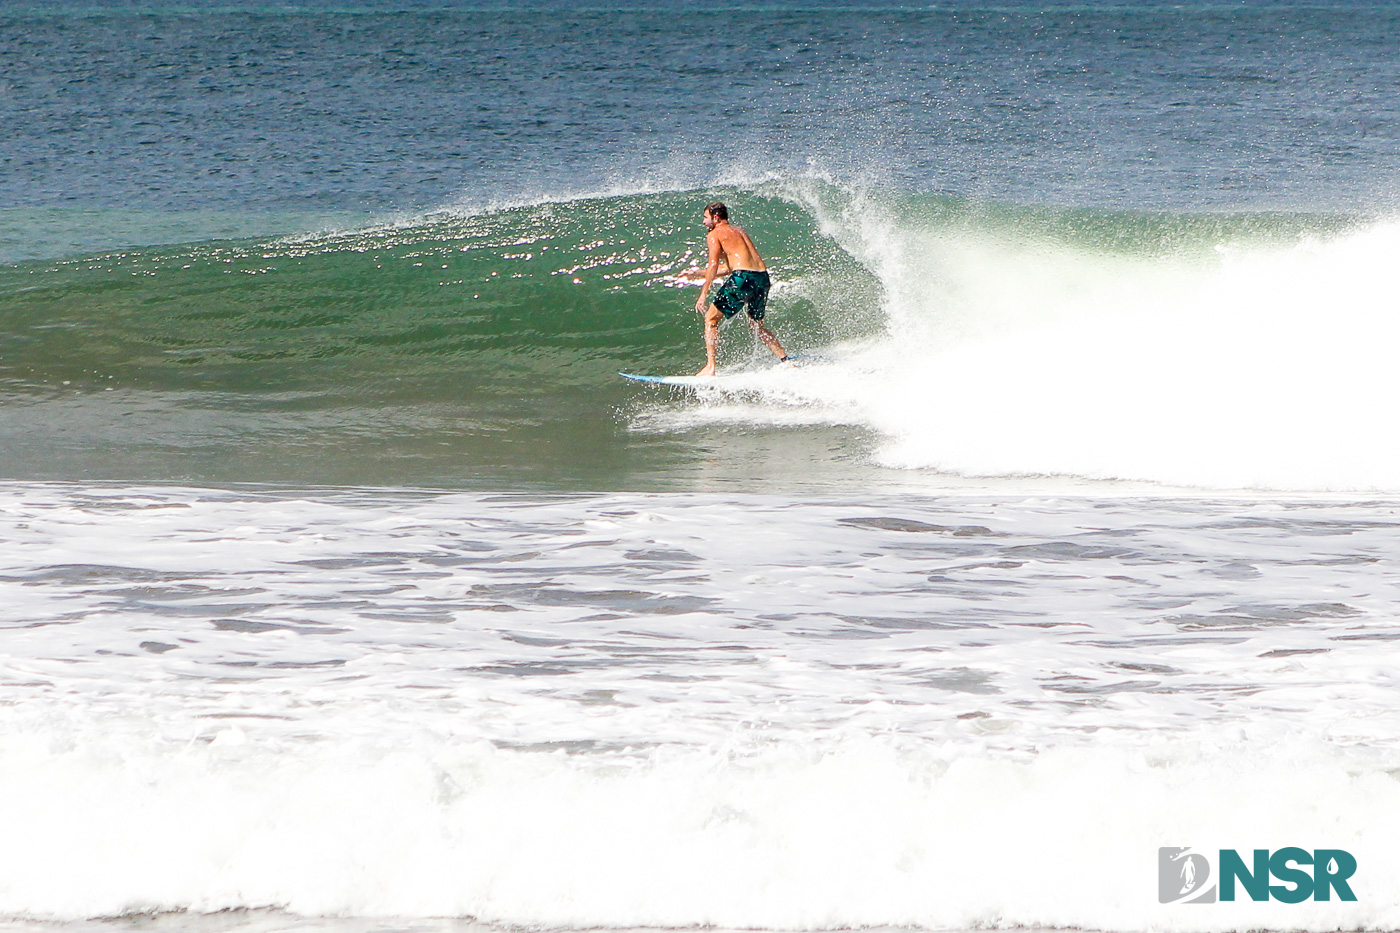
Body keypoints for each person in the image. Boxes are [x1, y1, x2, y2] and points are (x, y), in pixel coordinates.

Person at [691, 202, 790, 376]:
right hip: (762, 278)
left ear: (716, 218)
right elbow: (731, 267)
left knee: (711, 319)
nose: (703, 221)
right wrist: (698, 273)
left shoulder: (714, 234)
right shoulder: (739, 231)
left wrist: (703, 295)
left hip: (743, 277)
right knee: (757, 325)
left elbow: (714, 265)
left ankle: (711, 367)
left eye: (706, 217)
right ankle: (786, 360)